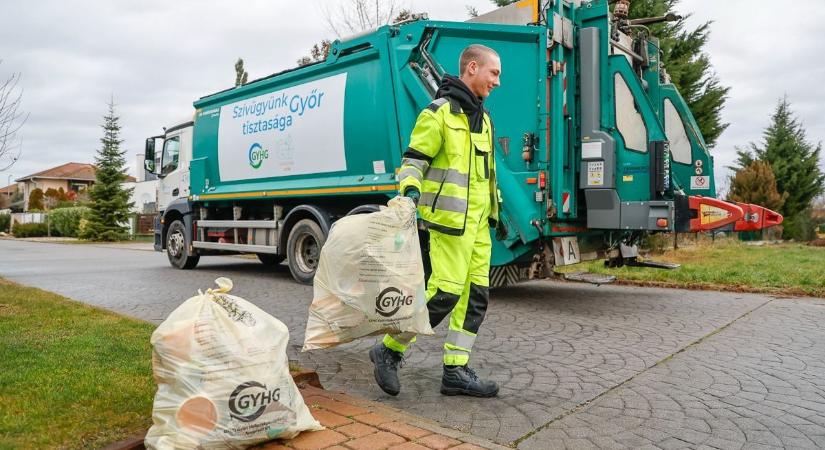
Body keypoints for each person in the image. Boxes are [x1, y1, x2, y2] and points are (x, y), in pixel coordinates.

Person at [369, 44, 503, 397]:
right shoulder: (438, 113)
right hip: (448, 223)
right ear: (472, 68)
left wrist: (495, 211)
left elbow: (485, 175)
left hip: (477, 227)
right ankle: (389, 348)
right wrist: (410, 191)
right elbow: (413, 161)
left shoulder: (484, 119)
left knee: (475, 296)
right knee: (445, 291)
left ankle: (455, 371)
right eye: (494, 73)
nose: (498, 81)